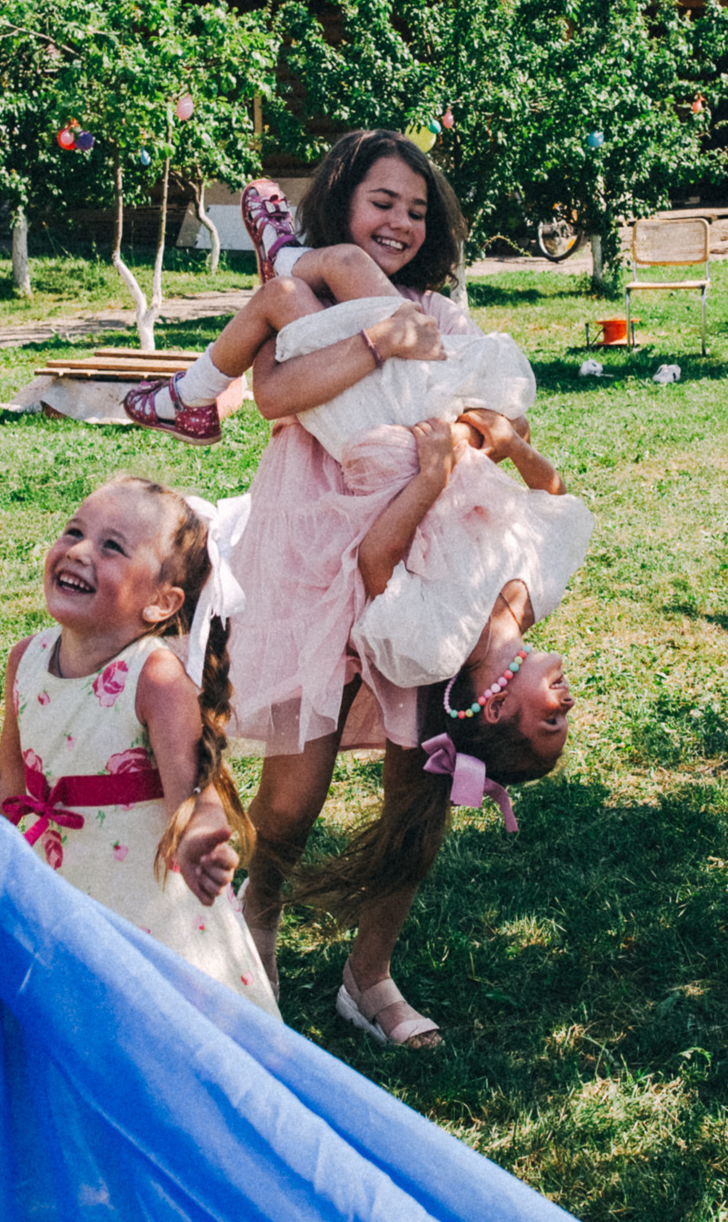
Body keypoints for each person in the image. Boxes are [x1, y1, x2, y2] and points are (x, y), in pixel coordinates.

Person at [225, 129, 581, 1050]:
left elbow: (499, 410)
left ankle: (369, 972)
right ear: (341, 203)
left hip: (431, 563)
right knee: (294, 794)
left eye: (418, 210)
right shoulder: (311, 298)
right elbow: (277, 390)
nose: (401, 221)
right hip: (316, 544)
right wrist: (383, 341)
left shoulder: (441, 313)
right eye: (383, 201)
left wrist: (498, 424)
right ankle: (250, 930)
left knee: (416, 777)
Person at [0, 475, 278, 1013]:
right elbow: (9, 781)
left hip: (142, 907)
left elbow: (195, 794)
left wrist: (202, 840)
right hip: (52, 887)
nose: (77, 551)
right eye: (74, 530)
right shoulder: (24, 659)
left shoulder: (156, 678)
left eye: (111, 546)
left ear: (160, 604)